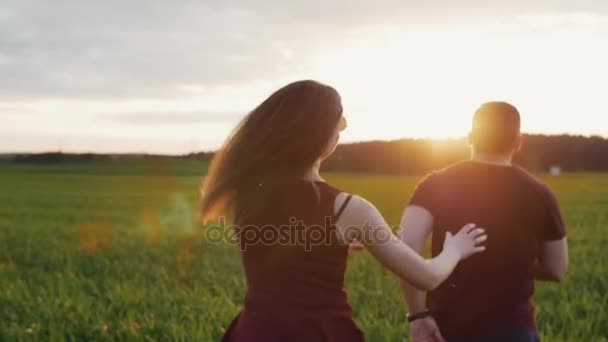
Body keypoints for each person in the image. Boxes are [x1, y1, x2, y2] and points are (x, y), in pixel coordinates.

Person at [200, 80, 487, 341]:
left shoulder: (248, 196)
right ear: (319, 134)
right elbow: (426, 276)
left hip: (255, 333)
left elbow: (278, 252)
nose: (345, 124)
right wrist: (455, 249)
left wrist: (329, 246)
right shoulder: (350, 209)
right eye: (338, 119)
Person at [398, 102, 569, 342]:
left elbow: (405, 251)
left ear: (470, 137)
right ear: (518, 142)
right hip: (514, 330)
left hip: (446, 330)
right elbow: (557, 268)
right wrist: (509, 260)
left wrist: (417, 315)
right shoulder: (540, 194)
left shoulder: (433, 185)